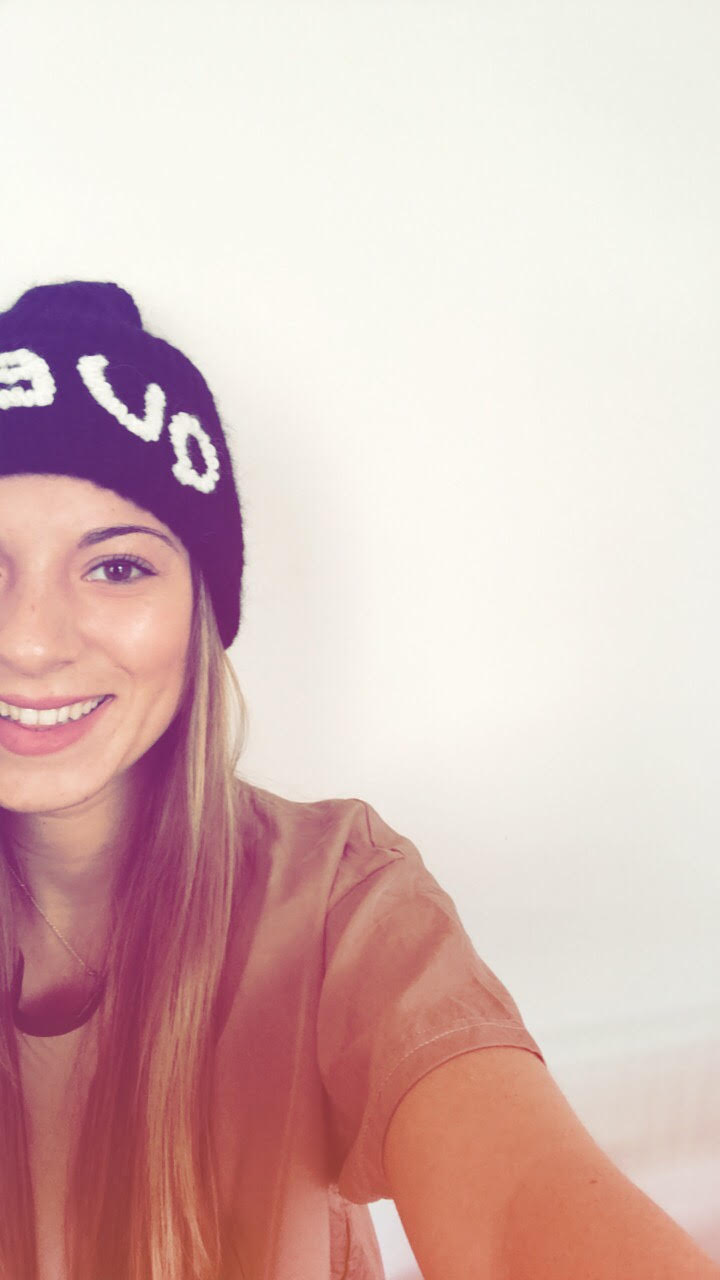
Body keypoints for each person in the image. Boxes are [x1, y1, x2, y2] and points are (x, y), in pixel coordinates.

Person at [0, 282, 715, 1280]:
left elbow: (517, 1206)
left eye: (117, 567)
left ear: (200, 612)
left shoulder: (341, 900)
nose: (31, 641)